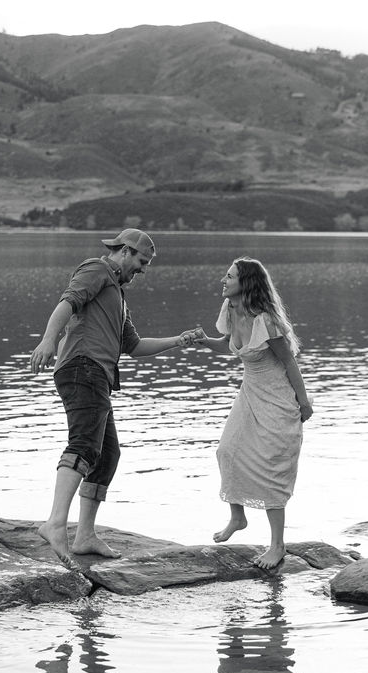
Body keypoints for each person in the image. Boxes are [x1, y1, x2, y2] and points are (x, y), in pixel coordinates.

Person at [29, 228, 196, 568]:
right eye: (141, 261)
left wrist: (177, 341)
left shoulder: (118, 295)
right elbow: (67, 302)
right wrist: (49, 339)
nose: (143, 269)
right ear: (124, 251)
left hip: (98, 376)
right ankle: (55, 524)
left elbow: (132, 346)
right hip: (82, 367)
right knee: (85, 445)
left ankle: (85, 536)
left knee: (106, 455)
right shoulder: (96, 269)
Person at [190, 257, 313, 569]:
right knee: (227, 450)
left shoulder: (266, 322)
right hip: (250, 394)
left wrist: (304, 402)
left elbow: (289, 363)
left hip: (277, 399)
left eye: (229, 276)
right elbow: (229, 344)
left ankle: (278, 545)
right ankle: (237, 517)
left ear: (245, 284)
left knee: (272, 467)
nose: (223, 280)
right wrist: (205, 342)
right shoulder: (232, 309)